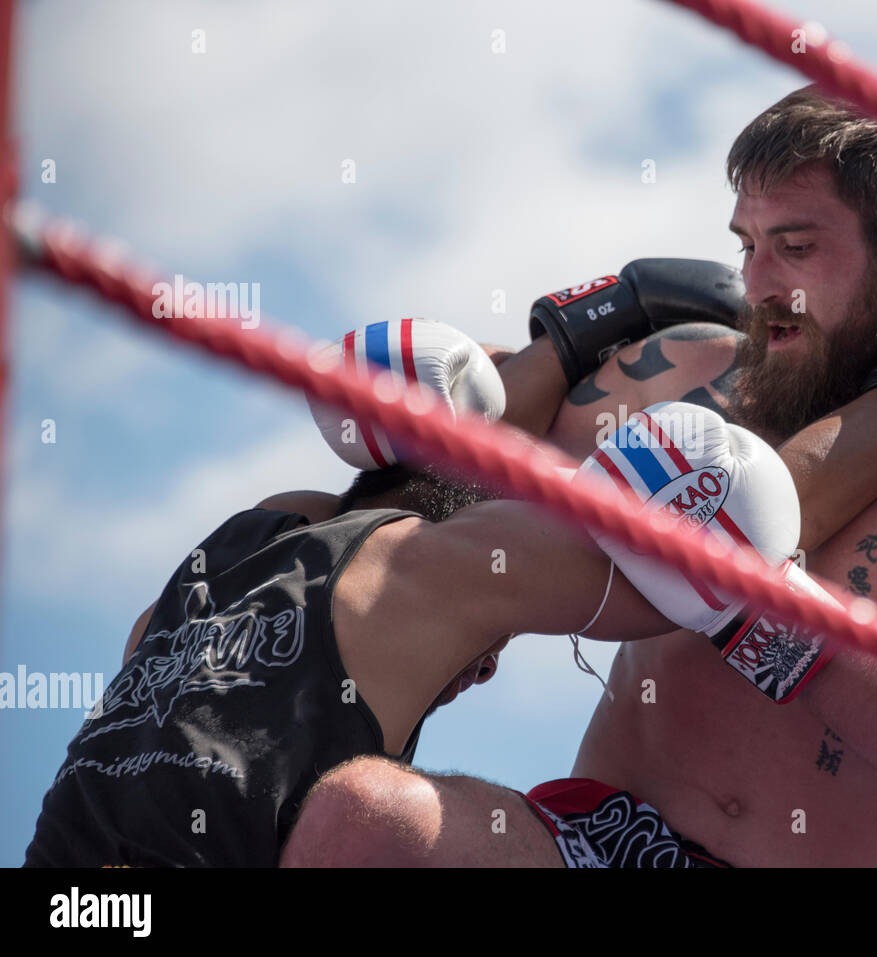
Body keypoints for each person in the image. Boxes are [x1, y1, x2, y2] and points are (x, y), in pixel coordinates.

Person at [284, 86, 877, 868]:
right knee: (359, 818)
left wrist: (757, 611)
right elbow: (476, 422)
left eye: (795, 247)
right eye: (746, 246)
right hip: (596, 839)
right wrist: (490, 360)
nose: (758, 285)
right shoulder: (700, 368)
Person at [25, 319, 798, 867]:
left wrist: (574, 332)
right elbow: (722, 543)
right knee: (377, 815)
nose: (483, 673)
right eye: (492, 647)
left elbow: (413, 463)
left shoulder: (235, 547)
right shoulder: (432, 568)